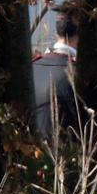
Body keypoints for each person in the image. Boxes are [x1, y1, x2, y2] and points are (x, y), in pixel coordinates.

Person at [32, 14, 82, 143]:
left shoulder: (31, 67)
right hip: (67, 156)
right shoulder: (78, 74)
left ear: (57, 33)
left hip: (29, 155)